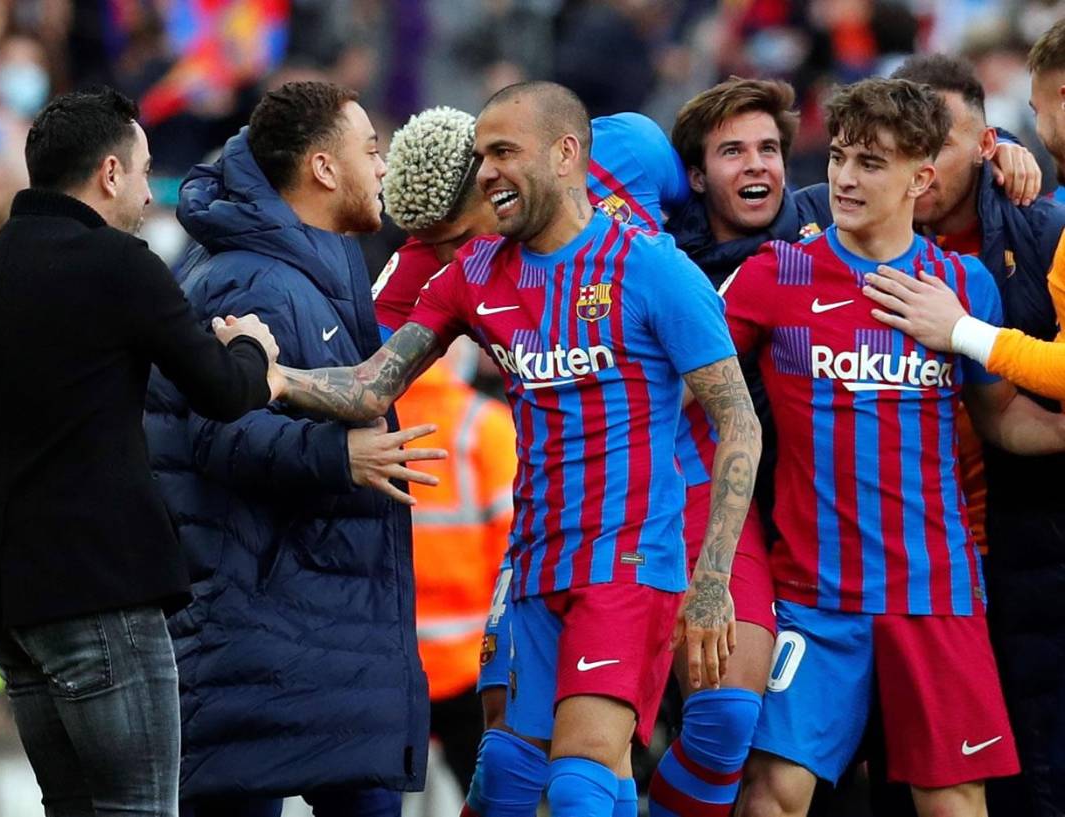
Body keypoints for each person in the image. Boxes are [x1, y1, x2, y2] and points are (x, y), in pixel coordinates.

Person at [276, 81, 763, 817]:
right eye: (481, 157)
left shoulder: (655, 267)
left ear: (567, 154)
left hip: (630, 556)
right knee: (503, 773)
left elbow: (741, 423)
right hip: (533, 560)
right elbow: (373, 384)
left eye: (504, 152)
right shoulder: (469, 275)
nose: (489, 171)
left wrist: (713, 578)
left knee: (579, 779)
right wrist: (270, 374)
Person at [0, 87, 278, 816]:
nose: (149, 194)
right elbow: (222, 390)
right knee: (138, 806)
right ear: (111, 172)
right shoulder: (118, 264)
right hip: (100, 587)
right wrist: (253, 347)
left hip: (8, 595)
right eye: (146, 171)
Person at [728, 77, 1065, 817]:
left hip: (935, 594)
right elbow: (688, 391)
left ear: (921, 177)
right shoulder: (771, 275)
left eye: (871, 163)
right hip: (815, 599)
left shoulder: (962, 284)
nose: (845, 178)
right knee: (770, 796)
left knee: (952, 801)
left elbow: (1001, 418)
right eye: (841, 156)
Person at [143, 80, 441, 817]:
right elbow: (221, 432)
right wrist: (342, 458)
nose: (382, 167)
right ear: (323, 168)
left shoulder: (303, 270)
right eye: (370, 149)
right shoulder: (254, 278)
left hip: (315, 639)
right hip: (268, 642)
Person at [378, 107, 516, 800]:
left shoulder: (612, 185)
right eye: (427, 246)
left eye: (457, 239)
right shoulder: (414, 278)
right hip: (465, 660)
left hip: (409, 657)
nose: (446, 262)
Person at [862, 19, 1065, 401]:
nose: (919, 165)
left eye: (938, 146)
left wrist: (960, 331)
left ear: (984, 146)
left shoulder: (1048, 234)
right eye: (905, 144)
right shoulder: (854, 225)